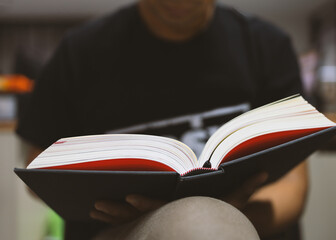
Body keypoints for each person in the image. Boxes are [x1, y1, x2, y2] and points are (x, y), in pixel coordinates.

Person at [16, 0, 307, 239]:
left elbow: (295, 179)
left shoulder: (266, 46)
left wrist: (223, 220)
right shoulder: (79, 53)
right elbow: (38, 162)